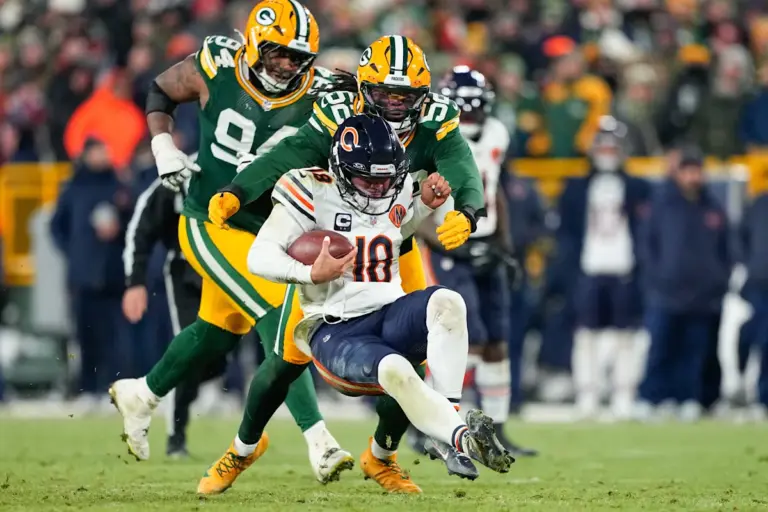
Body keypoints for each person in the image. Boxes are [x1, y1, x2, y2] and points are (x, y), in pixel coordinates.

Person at [206, 35, 486, 484]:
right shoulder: (337, 115)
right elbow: (288, 154)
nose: (394, 106)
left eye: (405, 97)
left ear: (423, 95)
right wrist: (239, 190)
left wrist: (467, 211)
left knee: (415, 351)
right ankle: (241, 449)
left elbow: (461, 166)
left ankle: (389, 452)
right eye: (384, 94)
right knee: (284, 362)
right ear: (362, 90)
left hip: (393, 241)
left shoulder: (435, 120)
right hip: (334, 247)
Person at [109, 0, 355, 483]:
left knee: (215, 332)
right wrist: (162, 145)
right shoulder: (217, 64)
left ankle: (142, 394)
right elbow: (161, 90)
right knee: (279, 311)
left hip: (268, 227)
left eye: (298, 56)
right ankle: (320, 441)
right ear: (255, 44)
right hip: (210, 221)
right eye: (279, 52)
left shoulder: (323, 92)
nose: (288, 64)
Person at [414, 66, 537, 456]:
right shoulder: (432, 136)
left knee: (498, 340)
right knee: (464, 338)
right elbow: (415, 205)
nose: (470, 116)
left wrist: (505, 247)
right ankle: (433, 427)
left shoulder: (498, 133)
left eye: (476, 107)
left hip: (487, 244)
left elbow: (494, 189)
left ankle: (495, 431)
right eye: (462, 108)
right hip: (449, 247)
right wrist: (449, 245)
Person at [559, 116, 651, 420]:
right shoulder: (576, 187)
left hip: (625, 269)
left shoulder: (638, 187)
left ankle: (623, 393)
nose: (608, 153)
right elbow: (567, 233)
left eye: (614, 147)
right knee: (585, 335)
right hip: (589, 269)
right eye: (604, 147)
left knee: (626, 336)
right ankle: (588, 393)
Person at [637, 145, 731, 421]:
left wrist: (718, 280)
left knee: (695, 352)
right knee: (661, 348)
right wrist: (656, 278)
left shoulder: (713, 207)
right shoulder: (662, 205)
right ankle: (652, 398)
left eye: (696, 170)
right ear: (677, 173)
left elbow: (727, 249)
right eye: (687, 170)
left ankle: (688, 398)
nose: (692, 176)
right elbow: (647, 246)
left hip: (703, 296)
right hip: (666, 292)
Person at [50, 138, 134, 410]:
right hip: (83, 277)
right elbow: (56, 226)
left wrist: (118, 229)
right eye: (97, 152)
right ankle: (87, 389)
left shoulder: (119, 186)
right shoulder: (73, 187)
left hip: (113, 275)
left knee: (115, 338)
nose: (103, 156)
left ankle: (112, 389)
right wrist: (74, 252)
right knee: (85, 336)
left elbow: (134, 224)